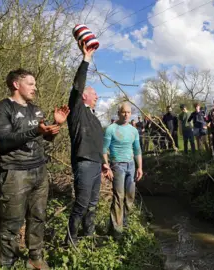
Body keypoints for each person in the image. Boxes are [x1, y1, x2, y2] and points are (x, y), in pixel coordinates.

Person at [0, 68, 69, 269]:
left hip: (39, 172)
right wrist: (35, 131)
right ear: (16, 84)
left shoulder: (36, 110)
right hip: (15, 173)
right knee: (11, 223)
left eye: (35, 84)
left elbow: (43, 137)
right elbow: (5, 141)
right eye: (30, 84)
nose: (35, 87)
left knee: (38, 217)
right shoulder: (0, 109)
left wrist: (54, 127)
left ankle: (35, 259)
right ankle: (7, 264)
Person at [66, 41, 108, 245]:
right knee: (81, 205)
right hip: (82, 163)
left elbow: (98, 143)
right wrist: (86, 59)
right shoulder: (77, 111)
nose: (98, 96)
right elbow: (77, 85)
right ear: (84, 96)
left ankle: (88, 237)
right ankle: (70, 242)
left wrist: (104, 163)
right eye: (94, 94)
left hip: (95, 165)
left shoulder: (95, 118)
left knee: (92, 204)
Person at [103, 103, 143, 238]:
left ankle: (123, 223)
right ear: (119, 113)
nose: (126, 114)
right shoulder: (111, 129)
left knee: (130, 197)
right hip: (117, 165)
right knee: (118, 197)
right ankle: (116, 230)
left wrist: (140, 168)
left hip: (131, 165)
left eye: (128, 112)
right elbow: (103, 150)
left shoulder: (134, 130)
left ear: (131, 114)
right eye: (123, 112)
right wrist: (106, 165)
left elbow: (137, 150)